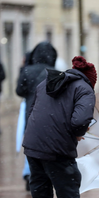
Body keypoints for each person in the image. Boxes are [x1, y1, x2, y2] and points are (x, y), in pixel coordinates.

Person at [23, 56, 97, 198]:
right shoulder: (85, 89)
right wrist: (79, 133)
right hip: (57, 152)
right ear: (90, 79)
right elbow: (79, 121)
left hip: (33, 148)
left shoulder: (46, 83)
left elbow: (32, 113)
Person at [16, 41, 57, 190]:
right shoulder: (55, 72)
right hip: (49, 116)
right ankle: (45, 176)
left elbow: (19, 91)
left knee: (31, 146)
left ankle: (30, 174)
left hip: (31, 114)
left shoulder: (27, 71)